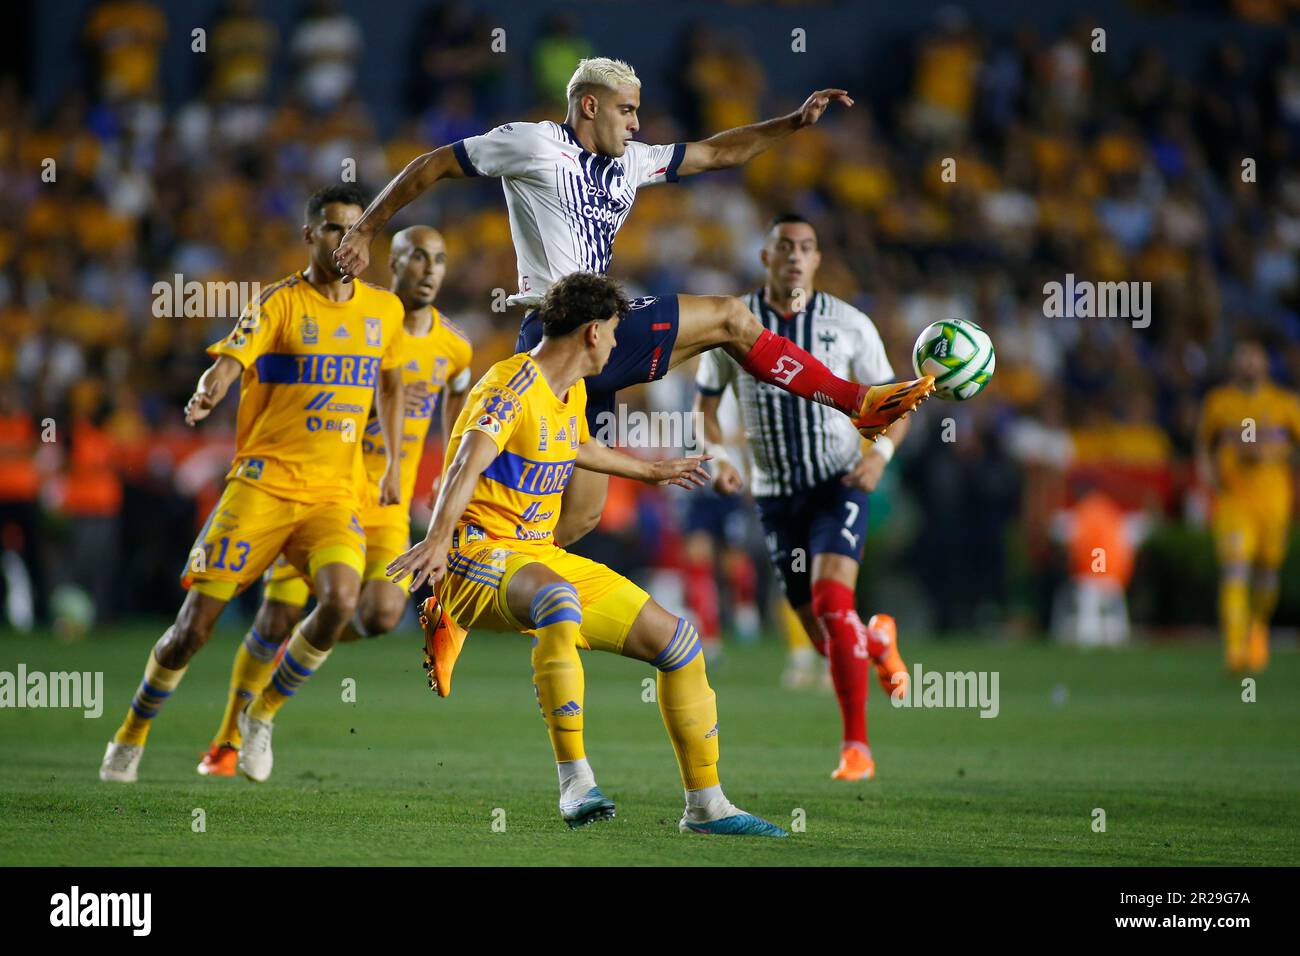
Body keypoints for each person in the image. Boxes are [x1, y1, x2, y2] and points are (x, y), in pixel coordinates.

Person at [334, 56, 933, 547]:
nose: (637, 125)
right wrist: (364, 228)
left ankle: (470, 590)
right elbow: (432, 164)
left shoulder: (631, 161)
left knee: (581, 517)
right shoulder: (534, 144)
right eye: (627, 110)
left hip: (596, 343)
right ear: (589, 106)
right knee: (729, 315)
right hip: (559, 330)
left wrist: (792, 123)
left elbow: (717, 153)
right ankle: (857, 401)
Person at [388, 272, 787, 836]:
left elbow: (575, 443)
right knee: (558, 601)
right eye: (618, 332)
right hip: (474, 554)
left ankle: (707, 806)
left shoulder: (569, 389)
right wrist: (434, 538)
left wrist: (650, 471)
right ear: (595, 333)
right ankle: (575, 781)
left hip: (534, 554)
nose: (622, 344)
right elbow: (466, 462)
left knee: (680, 643)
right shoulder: (509, 387)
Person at [99, 185, 406, 784]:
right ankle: (131, 735)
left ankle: (261, 714)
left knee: (341, 601)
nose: (342, 241)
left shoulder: (384, 311)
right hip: (262, 488)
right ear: (308, 236)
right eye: (331, 229)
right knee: (193, 630)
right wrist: (212, 386)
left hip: (332, 496)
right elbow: (233, 359)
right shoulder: (278, 304)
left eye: (353, 231)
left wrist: (393, 460)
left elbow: (391, 383)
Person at [196, 225, 473, 776]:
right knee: (275, 618)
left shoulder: (454, 344)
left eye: (440, 259)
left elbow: (461, 397)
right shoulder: (357, 326)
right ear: (390, 263)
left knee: (380, 612)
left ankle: (270, 697)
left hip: (387, 505)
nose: (430, 269)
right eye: (418, 257)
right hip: (323, 492)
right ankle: (225, 742)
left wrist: (447, 472)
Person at [694, 214, 910, 782]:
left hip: (839, 483)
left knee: (834, 607)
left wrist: (878, 458)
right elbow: (705, 410)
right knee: (823, 637)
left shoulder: (851, 324)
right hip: (774, 497)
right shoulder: (731, 323)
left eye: (806, 247)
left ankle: (856, 748)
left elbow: (894, 405)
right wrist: (718, 460)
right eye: (784, 247)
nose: (795, 256)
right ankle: (877, 640)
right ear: (765, 257)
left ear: (817, 260)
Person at [1196, 337, 1300, 673]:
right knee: (1235, 569)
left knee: (1268, 572)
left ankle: (1257, 627)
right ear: (1234, 364)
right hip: (1234, 501)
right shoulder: (1219, 403)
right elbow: (1204, 445)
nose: (1249, 365)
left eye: (1255, 359)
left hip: (1274, 502)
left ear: (1265, 365)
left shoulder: (1285, 405)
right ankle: (1235, 647)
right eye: (1243, 358)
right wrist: (1209, 475)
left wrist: (1272, 452)